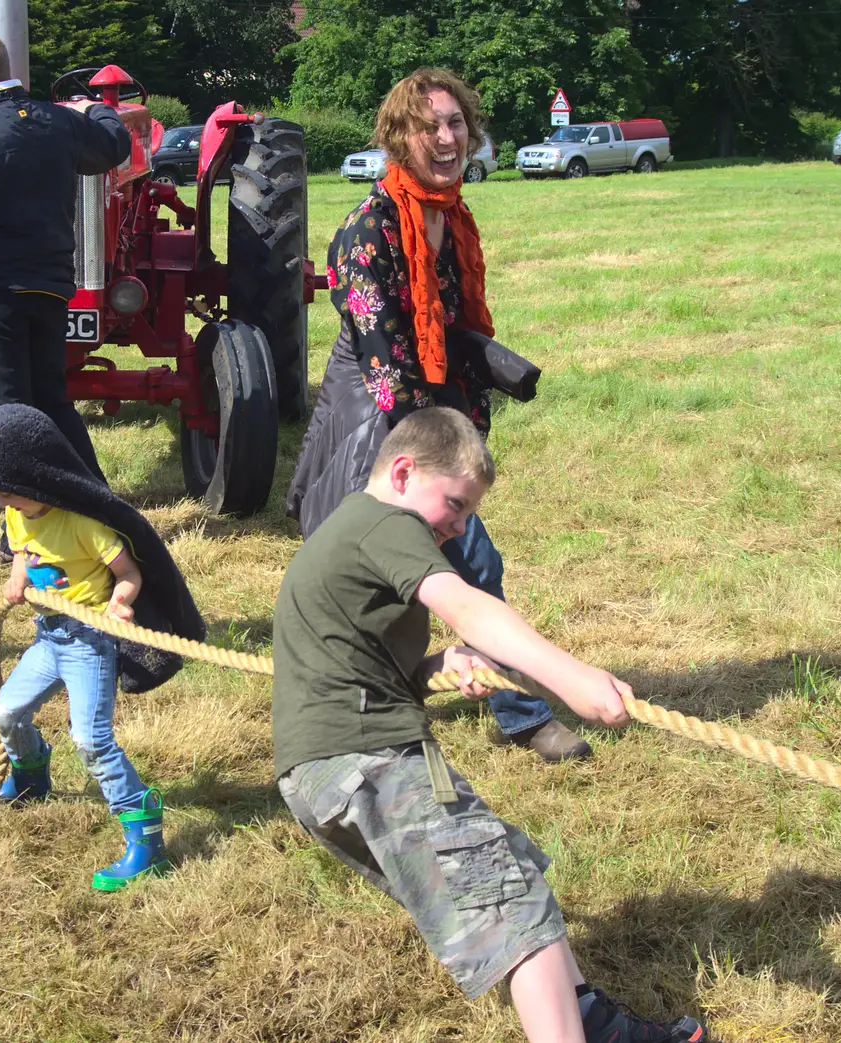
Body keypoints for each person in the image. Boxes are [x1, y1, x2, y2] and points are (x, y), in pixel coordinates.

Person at [275, 408, 707, 1043]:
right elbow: (468, 605)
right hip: (372, 762)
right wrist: (573, 677)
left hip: (325, 772)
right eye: (455, 503)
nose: (459, 525)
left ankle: (590, 1019)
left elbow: (354, 668)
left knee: (504, 876)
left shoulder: (350, 536)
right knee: (508, 907)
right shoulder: (383, 522)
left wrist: (436, 665)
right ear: (401, 473)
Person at [285, 68, 587, 763]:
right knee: (446, 564)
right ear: (401, 135)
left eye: (456, 123)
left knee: (460, 566)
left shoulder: (450, 217)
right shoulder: (368, 230)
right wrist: (449, 451)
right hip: (382, 432)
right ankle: (519, 711)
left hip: (431, 419)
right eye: (431, 126)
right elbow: (387, 366)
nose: (448, 137)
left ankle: (504, 705)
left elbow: (446, 325)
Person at [0, 403, 208, 890]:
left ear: (37, 484)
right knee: (6, 714)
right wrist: (17, 579)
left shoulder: (84, 526)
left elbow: (130, 573)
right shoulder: (17, 513)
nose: (3, 505)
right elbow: (19, 549)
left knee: (92, 740)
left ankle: (145, 833)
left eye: (8, 494)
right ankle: (32, 775)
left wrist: (120, 604)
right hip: (48, 637)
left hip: (87, 644)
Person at [0, 31, 132, 484]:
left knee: (7, 410)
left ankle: (23, 524)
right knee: (52, 400)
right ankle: (93, 499)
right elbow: (114, 145)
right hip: (52, 285)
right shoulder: (57, 122)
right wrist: (95, 107)